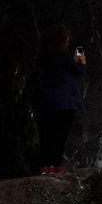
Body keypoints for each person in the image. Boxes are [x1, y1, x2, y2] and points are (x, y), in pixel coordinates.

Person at [31, 25, 86, 174]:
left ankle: (44, 165)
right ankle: (54, 166)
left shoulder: (43, 56)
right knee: (60, 135)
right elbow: (79, 71)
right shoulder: (67, 58)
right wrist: (80, 53)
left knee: (46, 134)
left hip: (46, 101)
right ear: (64, 40)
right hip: (64, 103)